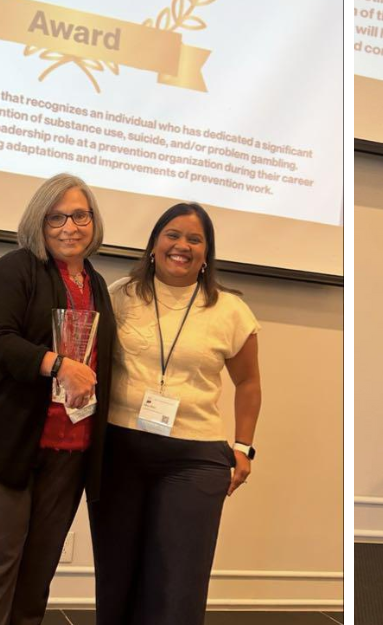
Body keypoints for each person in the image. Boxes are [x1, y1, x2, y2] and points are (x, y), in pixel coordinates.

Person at [0, 173, 117, 625]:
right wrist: (57, 364)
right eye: (56, 217)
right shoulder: (14, 269)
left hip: (68, 450)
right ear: (38, 223)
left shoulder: (97, 284)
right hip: (1, 445)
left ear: (93, 220)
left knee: (36, 576)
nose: (69, 227)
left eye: (80, 215)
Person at [90, 202, 262, 625]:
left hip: (194, 457)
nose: (181, 245)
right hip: (119, 450)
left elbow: (249, 384)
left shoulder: (230, 310)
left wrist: (243, 447)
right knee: (117, 575)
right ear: (153, 244)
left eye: (194, 239)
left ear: (207, 254)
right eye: (172, 235)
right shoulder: (118, 296)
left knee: (178, 582)